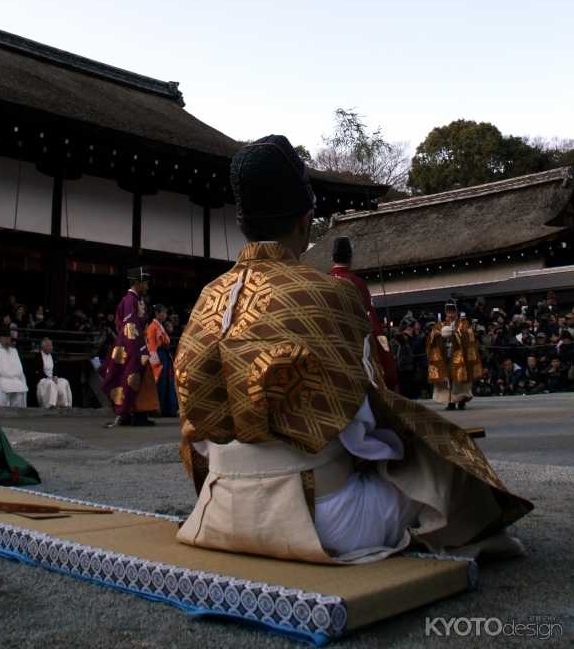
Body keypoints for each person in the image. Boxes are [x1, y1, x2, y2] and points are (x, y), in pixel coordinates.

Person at [175, 135, 531, 564]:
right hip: (319, 517)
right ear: (306, 221)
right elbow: (363, 423)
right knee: (438, 475)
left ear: (241, 221)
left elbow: (193, 429)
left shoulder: (207, 298)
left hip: (218, 509)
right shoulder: (329, 294)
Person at [328, 236, 398, 391]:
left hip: (330, 342)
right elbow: (369, 317)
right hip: (356, 342)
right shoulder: (357, 282)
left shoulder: (323, 281)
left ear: (332, 257)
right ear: (351, 258)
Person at [101, 269, 159, 427]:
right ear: (137, 283)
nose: (147, 286)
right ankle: (131, 415)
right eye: (145, 283)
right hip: (131, 345)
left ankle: (135, 415)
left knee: (136, 380)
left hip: (136, 344)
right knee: (130, 379)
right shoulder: (129, 300)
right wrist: (139, 348)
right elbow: (129, 326)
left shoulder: (136, 299)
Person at [427, 302, 483, 410]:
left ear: (456, 312)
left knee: (460, 379)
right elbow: (432, 335)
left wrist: (455, 334)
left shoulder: (463, 323)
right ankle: (450, 401)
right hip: (446, 354)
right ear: (445, 313)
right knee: (448, 378)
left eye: (452, 312)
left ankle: (461, 399)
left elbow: (467, 334)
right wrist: (437, 335)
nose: (450, 315)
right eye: (448, 312)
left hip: (459, 353)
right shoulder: (441, 324)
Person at [145, 304, 179, 417]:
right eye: (163, 312)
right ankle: (157, 409)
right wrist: (155, 362)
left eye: (165, 312)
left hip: (164, 355)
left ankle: (167, 409)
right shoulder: (152, 327)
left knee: (167, 383)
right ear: (157, 314)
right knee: (160, 383)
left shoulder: (159, 325)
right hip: (158, 356)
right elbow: (151, 345)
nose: (165, 315)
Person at [35, 337, 72, 408]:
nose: (51, 347)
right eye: (49, 345)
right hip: (43, 379)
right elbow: (38, 371)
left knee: (64, 381)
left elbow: (56, 369)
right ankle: (51, 404)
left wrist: (55, 376)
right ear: (43, 347)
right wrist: (49, 378)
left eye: (51, 345)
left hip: (53, 378)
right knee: (51, 383)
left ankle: (64, 404)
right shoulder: (38, 356)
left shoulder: (53, 356)